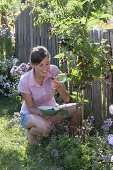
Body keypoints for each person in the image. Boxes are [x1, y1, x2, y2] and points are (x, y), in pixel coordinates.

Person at [18, 45, 83, 144]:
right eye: (41, 65)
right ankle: (32, 132)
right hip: (31, 115)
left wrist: (60, 87)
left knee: (78, 108)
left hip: (52, 111)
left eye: (47, 64)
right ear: (33, 65)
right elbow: (30, 108)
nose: (45, 68)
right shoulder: (25, 80)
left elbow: (67, 98)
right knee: (46, 128)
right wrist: (42, 114)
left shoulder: (54, 71)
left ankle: (72, 141)